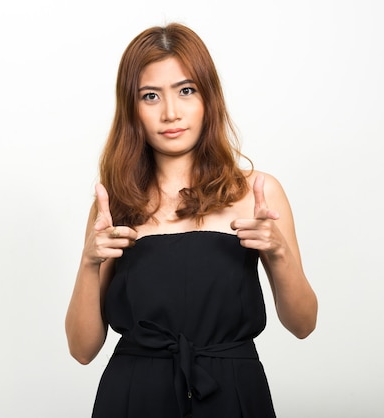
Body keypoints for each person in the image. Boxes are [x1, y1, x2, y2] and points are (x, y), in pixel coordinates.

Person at [65, 22, 317, 418]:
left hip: (234, 395)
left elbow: (303, 324)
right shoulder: (115, 205)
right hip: (133, 396)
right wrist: (88, 261)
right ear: (132, 109)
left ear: (208, 97)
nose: (170, 113)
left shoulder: (257, 192)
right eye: (150, 96)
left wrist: (279, 252)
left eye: (186, 91)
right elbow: (82, 350)